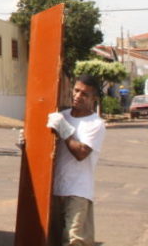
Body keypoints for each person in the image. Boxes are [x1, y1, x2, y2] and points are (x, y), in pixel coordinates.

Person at [46, 74, 106, 246]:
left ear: (93, 98)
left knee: (74, 240)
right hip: (56, 188)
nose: (78, 96)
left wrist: (64, 129)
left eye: (85, 94)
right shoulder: (62, 115)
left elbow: (81, 153)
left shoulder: (95, 123)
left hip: (78, 190)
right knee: (52, 237)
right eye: (77, 90)